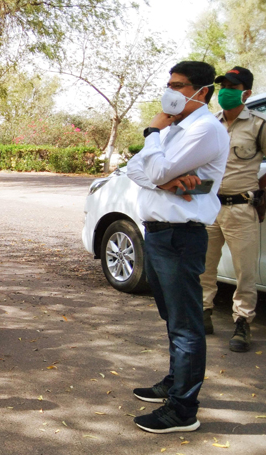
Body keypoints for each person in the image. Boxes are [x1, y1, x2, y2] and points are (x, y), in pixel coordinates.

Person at [126, 61, 229, 434]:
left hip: (180, 237)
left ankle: (184, 409)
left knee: (186, 324)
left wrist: (152, 131)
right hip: (157, 233)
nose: (170, 91)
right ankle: (174, 382)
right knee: (172, 317)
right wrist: (168, 182)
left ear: (202, 92)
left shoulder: (204, 130)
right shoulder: (176, 130)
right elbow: (134, 168)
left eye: (179, 85)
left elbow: (151, 171)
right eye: (169, 83)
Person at [200, 66, 265, 352]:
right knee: (204, 266)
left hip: (242, 208)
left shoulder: (259, 126)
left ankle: (242, 323)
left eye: (232, 86)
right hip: (211, 206)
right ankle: (203, 313)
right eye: (223, 85)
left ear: (246, 93)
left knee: (245, 271)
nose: (225, 91)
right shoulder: (211, 124)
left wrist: (262, 194)